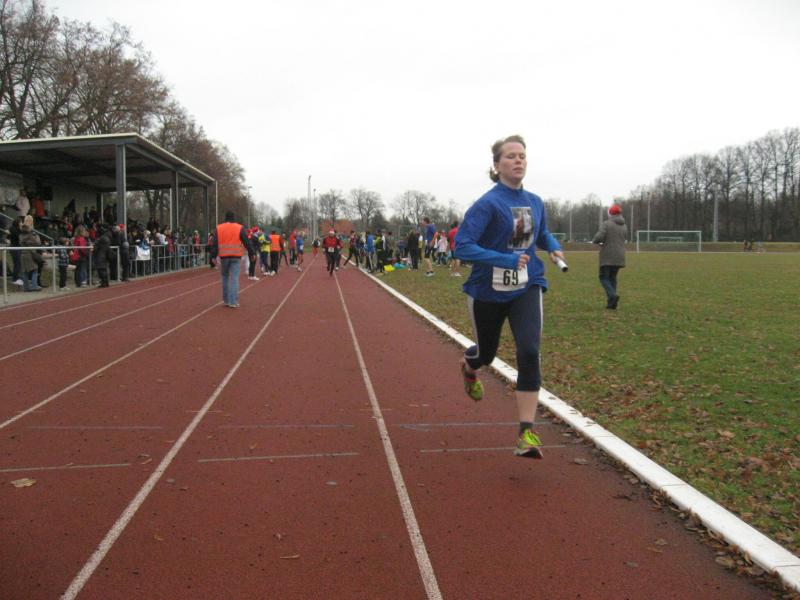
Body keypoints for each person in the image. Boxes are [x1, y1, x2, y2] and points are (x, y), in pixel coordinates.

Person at [455, 134, 565, 459]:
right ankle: (469, 365)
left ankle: (526, 433)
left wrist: (552, 246)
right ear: (497, 165)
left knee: (529, 351)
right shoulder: (487, 205)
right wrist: (503, 259)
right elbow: (463, 246)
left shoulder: (535, 201)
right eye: (511, 156)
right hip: (487, 290)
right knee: (486, 354)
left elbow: (540, 232)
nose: (518, 160)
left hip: (527, 285)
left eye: (522, 155)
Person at [592, 203, 627, 310]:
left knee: (603, 277)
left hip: (608, 255)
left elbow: (599, 237)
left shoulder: (606, 224)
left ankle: (612, 296)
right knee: (613, 278)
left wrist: (595, 241)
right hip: (620, 255)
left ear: (610, 214)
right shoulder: (624, 225)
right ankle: (611, 303)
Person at [212, 211, 248, 308]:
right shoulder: (239, 227)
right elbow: (246, 241)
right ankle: (233, 301)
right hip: (236, 256)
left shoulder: (219, 228)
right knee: (234, 278)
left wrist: (213, 256)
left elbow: (215, 243)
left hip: (224, 257)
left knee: (225, 277)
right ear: (233, 218)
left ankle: (226, 300)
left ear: (225, 218)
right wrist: (252, 252)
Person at [19, 215, 43, 291]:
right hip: (31, 253)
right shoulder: (31, 234)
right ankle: (34, 286)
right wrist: (36, 237)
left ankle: (26, 287)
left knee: (25, 271)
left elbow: (21, 242)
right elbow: (37, 243)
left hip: (23, 253)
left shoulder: (21, 233)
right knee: (35, 270)